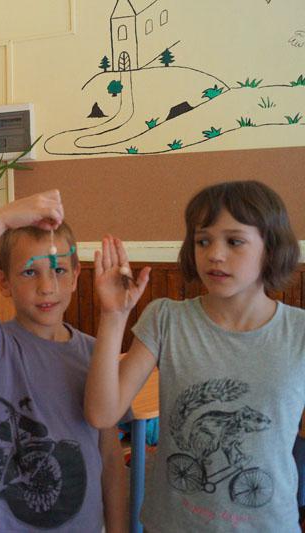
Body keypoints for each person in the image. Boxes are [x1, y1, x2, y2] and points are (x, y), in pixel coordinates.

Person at [84, 180, 305, 532]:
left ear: (271, 247)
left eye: (234, 241)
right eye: (203, 241)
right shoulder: (166, 319)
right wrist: (113, 315)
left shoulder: (298, 332)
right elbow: (102, 414)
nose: (214, 254)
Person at [0, 192, 128, 532]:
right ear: (3, 282)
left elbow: (110, 456)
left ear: (76, 276)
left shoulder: (97, 353)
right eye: (29, 272)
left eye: (59, 270)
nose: (47, 287)